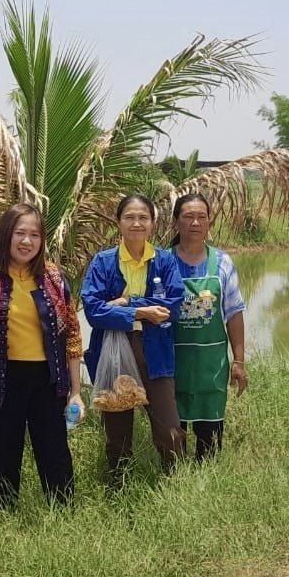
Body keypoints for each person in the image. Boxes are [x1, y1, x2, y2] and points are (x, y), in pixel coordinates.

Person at [0, 203, 84, 508]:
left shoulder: (52, 276)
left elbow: (73, 336)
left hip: (48, 381)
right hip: (1, 379)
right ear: (5, 235)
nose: (27, 241)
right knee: (3, 454)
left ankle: (62, 516)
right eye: (20, 233)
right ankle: (3, 517)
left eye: (34, 235)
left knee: (55, 452)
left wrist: (75, 392)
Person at [80, 193, 186, 486]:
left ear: (152, 223)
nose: (136, 223)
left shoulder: (164, 261)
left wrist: (124, 302)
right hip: (114, 351)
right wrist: (142, 310)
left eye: (143, 217)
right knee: (117, 427)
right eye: (129, 217)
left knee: (169, 428)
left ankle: (176, 483)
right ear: (118, 222)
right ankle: (119, 485)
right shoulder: (103, 262)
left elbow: (173, 306)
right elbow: (93, 310)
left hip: (156, 352)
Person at [169, 193, 247, 460]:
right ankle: (174, 482)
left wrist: (239, 361)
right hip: (171, 363)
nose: (195, 222)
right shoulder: (163, 261)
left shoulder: (223, 263)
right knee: (171, 441)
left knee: (210, 444)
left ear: (209, 222)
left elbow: (234, 314)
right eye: (188, 216)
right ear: (176, 221)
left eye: (201, 217)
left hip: (211, 364)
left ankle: (205, 483)